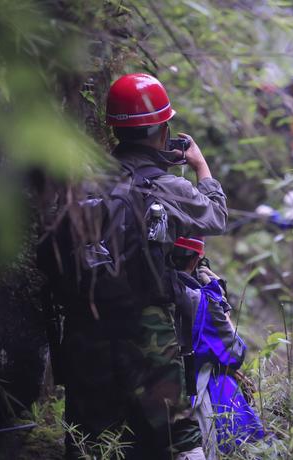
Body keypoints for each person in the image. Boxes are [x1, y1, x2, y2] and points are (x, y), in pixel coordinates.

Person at [43, 73, 228, 459]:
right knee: (178, 435)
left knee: (88, 440)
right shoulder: (167, 186)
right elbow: (216, 217)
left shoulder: (83, 182)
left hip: (84, 329)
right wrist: (201, 167)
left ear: (114, 128)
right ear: (163, 129)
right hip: (149, 332)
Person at [171, 236, 266, 459]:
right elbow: (234, 354)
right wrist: (220, 302)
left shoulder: (145, 288)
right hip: (189, 402)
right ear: (195, 261)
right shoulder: (200, 300)